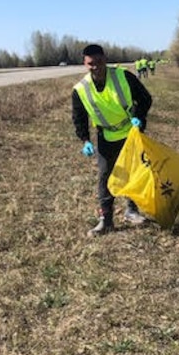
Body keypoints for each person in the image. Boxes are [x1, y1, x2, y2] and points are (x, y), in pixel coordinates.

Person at [73, 44, 153, 236]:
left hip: (130, 133)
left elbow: (145, 98)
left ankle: (132, 211)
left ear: (105, 59)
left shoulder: (123, 76)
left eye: (99, 62)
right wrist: (85, 139)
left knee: (132, 172)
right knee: (105, 176)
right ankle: (106, 220)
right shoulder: (80, 89)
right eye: (91, 63)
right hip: (105, 137)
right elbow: (79, 117)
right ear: (85, 64)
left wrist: (139, 117)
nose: (96, 67)